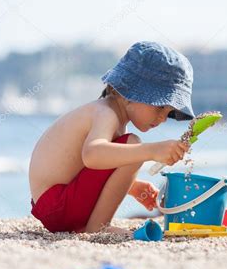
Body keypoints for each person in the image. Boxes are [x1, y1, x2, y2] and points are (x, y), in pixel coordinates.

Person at [29, 41, 194, 234]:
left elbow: (84, 166)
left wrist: (132, 186)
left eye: (169, 113)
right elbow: (92, 155)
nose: (163, 118)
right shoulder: (106, 113)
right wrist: (151, 150)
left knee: (127, 149)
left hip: (55, 206)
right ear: (130, 93)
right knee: (133, 145)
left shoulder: (109, 115)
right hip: (57, 204)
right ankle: (98, 227)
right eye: (160, 107)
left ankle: (89, 226)